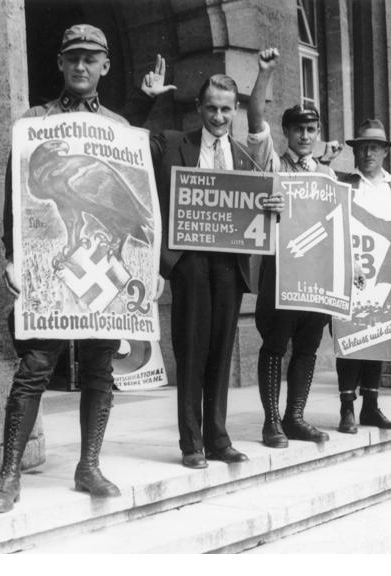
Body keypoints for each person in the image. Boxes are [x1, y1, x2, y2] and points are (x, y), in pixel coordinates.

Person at [0, 24, 174, 513]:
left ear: (104, 66)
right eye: (72, 57)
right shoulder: (35, 122)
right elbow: (14, 194)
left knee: (98, 369)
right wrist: (11, 255)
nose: (80, 66)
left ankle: (88, 465)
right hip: (49, 272)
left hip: (101, 267)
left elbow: (142, 189)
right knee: (34, 367)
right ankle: (9, 475)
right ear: (60, 63)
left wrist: (149, 266)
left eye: (90, 59)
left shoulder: (118, 126)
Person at [150, 68, 283, 468]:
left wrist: (274, 205)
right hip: (189, 262)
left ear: (235, 111)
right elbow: (135, 146)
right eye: (211, 108)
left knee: (221, 352)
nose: (219, 117)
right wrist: (151, 100)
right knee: (191, 350)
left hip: (229, 264)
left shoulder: (245, 156)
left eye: (226, 109)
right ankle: (192, 443)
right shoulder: (175, 143)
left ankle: (218, 440)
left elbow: (264, 204)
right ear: (199, 107)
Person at [246, 47, 332, 448]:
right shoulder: (274, 164)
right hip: (281, 274)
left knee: (308, 348)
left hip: (316, 277)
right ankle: (272, 421)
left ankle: (295, 416)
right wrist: (264, 74)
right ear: (286, 132)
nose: (305, 136)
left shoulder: (328, 173)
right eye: (298, 129)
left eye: (311, 129)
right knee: (275, 346)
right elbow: (255, 121)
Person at [334, 118, 391, 435]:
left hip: (384, 277)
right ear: (355, 151)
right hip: (351, 274)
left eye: (374, 148)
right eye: (363, 147)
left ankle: (371, 405)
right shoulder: (343, 184)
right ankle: (347, 407)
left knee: (378, 337)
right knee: (350, 340)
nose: (368, 154)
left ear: (385, 151)